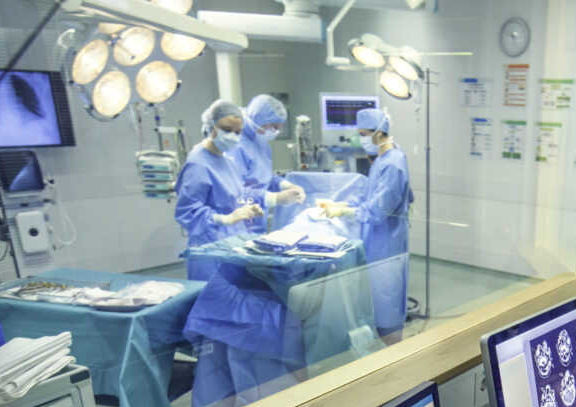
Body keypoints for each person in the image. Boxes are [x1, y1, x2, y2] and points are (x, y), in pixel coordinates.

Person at [174, 99, 303, 279]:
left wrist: (249, 208)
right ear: (211, 126)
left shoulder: (227, 162)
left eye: (238, 132)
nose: (233, 136)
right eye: (227, 130)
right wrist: (226, 218)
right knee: (213, 301)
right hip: (209, 250)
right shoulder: (198, 165)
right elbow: (187, 212)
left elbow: (239, 194)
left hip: (233, 244)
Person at [318, 108, 413, 343]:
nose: (360, 139)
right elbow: (369, 197)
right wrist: (339, 203)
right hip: (377, 243)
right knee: (375, 301)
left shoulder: (393, 163)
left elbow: (378, 210)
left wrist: (343, 211)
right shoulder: (383, 160)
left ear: (380, 132)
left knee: (386, 302)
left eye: (363, 134)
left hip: (387, 246)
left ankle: (392, 353)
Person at [229, 94, 304, 233]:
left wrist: (286, 185)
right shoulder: (235, 146)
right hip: (236, 223)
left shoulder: (262, 144)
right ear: (256, 119)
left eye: (279, 128)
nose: (276, 132)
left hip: (256, 222)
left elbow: (264, 177)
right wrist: (275, 198)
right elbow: (234, 191)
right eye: (273, 127)